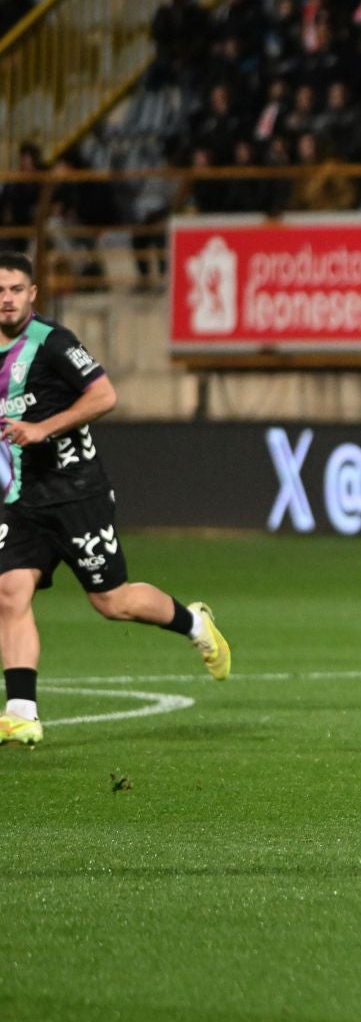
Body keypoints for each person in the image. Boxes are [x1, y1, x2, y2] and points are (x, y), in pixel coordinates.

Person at [0, 254, 231, 747]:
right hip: (21, 498)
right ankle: (21, 713)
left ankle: (195, 622)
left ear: (33, 293)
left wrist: (41, 429)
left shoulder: (53, 343)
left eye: (16, 289)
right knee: (9, 592)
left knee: (112, 601)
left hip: (76, 494)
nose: (7, 298)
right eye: (1, 290)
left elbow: (104, 396)